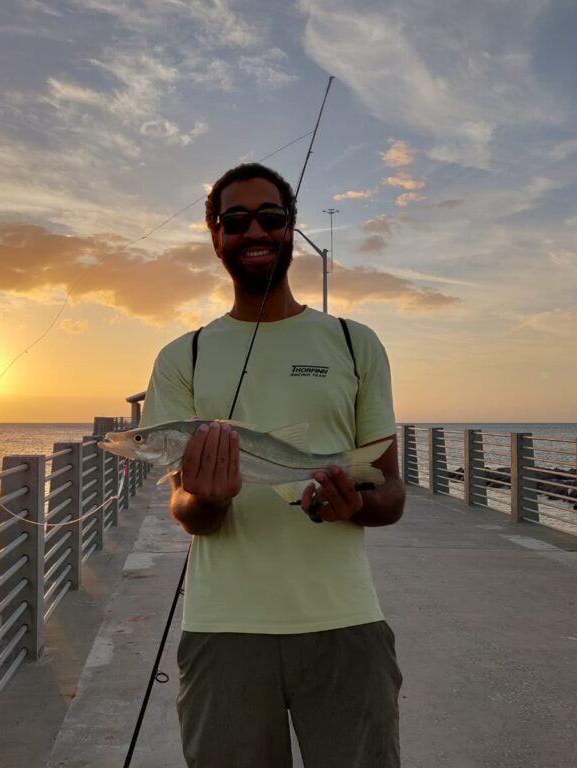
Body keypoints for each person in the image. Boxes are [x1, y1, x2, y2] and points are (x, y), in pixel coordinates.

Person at [139, 162, 406, 768]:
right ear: (214, 236)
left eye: (271, 217)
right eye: (235, 220)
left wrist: (355, 502)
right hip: (223, 629)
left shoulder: (352, 341)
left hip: (347, 623)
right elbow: (188, 510)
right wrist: (205, 498)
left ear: (291, 229)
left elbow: (391, 494)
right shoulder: (183, 356)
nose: (254, 230)